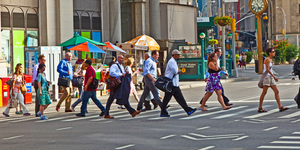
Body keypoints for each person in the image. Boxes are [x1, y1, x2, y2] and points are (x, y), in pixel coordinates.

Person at [160, 50, 197, 117]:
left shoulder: (174, 61)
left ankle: (188, 110)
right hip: (171, 84)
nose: (179, 56)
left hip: (174, 84)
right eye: (178, 55)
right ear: (174, 55)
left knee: (179, 98)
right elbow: (176, 71)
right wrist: (179, 70)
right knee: (167, 99)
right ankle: (163, 112)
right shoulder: (171, 61)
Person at [258, 48, 289, 113]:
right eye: (273, 51)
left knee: (276, 91)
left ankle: (280, 107)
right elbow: (267, 69)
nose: (274, 52)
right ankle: (260, 108)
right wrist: (274, 76)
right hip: (267, 77)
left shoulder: (271, 60)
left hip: (270, 77)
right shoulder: (267, 59)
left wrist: (272, 76)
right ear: (269, 53)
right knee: (264, 93)